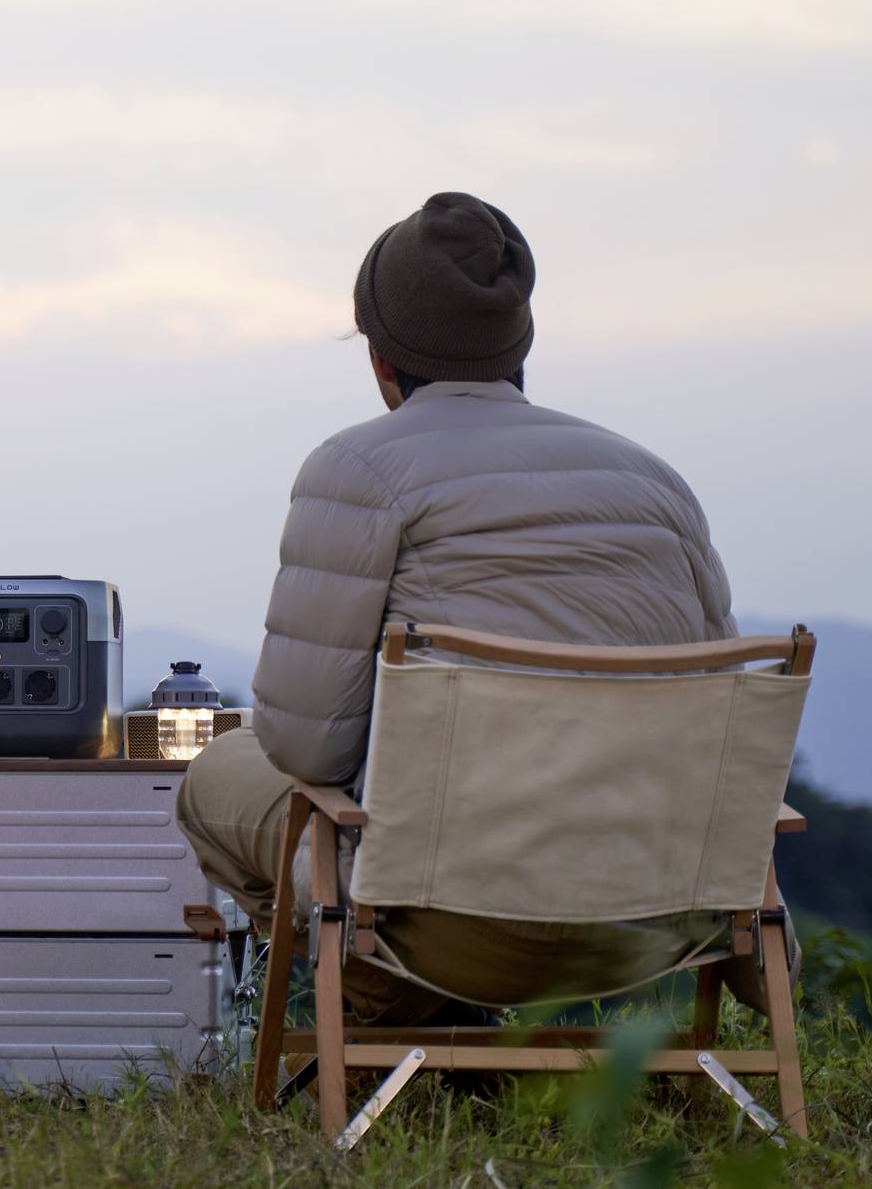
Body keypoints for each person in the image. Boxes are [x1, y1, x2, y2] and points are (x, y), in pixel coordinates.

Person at [173, 192, 768, 1023]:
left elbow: (307, 746)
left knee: (215, 774)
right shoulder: (656, 482)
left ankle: (395, 1013)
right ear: (518, 342)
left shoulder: (358, 470)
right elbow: (721, 735)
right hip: (653, 922)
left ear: (381, 357)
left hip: (445, 927)